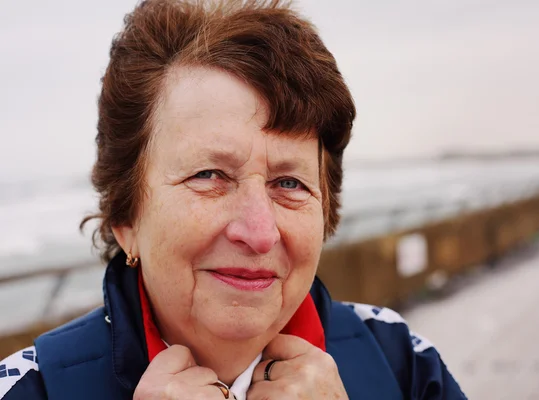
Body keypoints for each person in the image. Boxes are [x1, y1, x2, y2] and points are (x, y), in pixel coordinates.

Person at [0, 0, 467, 398]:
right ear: (126, 216)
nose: (259, 232)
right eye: (209, 175)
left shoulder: (402, 361)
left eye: (289, 183)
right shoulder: (31, 387)